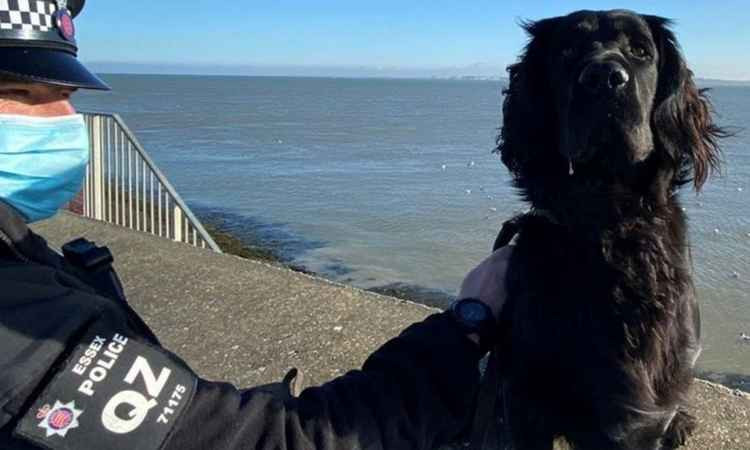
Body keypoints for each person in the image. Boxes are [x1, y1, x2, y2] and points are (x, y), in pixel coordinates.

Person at [0, 1, 512, 449]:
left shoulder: (19, 250)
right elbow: (276, 442)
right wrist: (468, 320)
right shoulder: (18, 317)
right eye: (21, 93)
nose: (63, 119)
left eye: (66, 95)